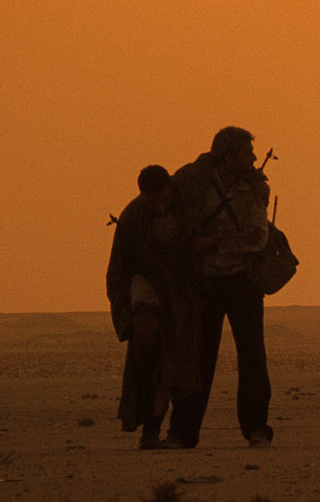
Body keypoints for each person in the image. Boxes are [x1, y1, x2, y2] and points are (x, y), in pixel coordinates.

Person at [163, 127, 274, 449]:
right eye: (246, 153)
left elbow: (257, 238)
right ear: (228, 156)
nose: (254, 159)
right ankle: (183, 433)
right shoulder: (194, 184)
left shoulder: (254, 190)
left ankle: (256, 429)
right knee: (198, 361)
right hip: (205, 285)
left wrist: (211, 244)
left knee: (252, 358)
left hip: (243, 282)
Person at [106, 165, 203, 449]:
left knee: (173, 366)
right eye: (153, 203)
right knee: (148, 343)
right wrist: (125, 316)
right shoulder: (133, 217)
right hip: (146, 283)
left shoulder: (188, 202)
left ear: (171, 188)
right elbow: (119, 270)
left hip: (182, 291)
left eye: (163, 200)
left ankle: (153, 430)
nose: (160, 208)